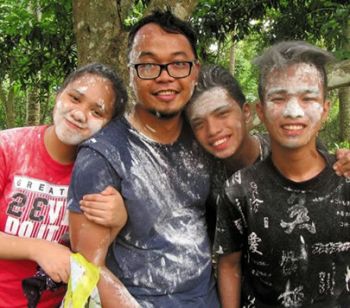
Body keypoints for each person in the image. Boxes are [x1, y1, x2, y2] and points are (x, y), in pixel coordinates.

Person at [68, 10, 220, 308]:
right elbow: (87, 267)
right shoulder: (102, 155)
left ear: (195, 71)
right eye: (149, 65)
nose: (165, 77)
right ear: (131, 71)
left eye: (178, 64)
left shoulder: (205, 136)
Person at [214, 41, 350, 307]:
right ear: (261, 112)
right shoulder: (240, 190)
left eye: (308, 98)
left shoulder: (346, 181)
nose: (293, 111)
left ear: (325, 109)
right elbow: (229, 266)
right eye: (279, 98)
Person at [0, 63, 128, 307]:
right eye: (75, 98)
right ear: (59, 94)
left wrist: (118, 222)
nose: (79, 114)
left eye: (97, 112)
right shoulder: (7, 147)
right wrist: (38, 248)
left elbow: (92, 258)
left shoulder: (100, 175)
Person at [186, 64, 350, 242]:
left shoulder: (294, 147)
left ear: (246, 112)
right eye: (199, 124)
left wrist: (343, 163)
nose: (213, 130)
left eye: (223, 114)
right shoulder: (201, 181)